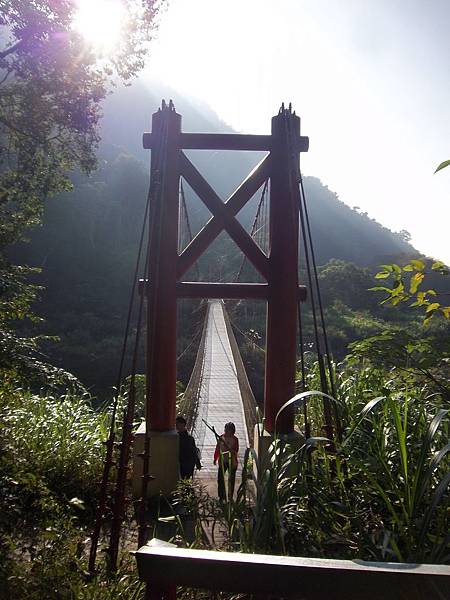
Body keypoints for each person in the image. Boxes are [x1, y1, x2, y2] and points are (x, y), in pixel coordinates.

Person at [213, 422, 239, 502]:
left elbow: (235, 451)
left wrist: (230, 449)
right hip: (223, 461)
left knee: (231, 480)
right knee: (220, 479)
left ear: (232, 430)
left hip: (232, 462)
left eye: (229, 429)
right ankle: (222, 496)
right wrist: (215, 458)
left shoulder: (235, 439)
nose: (227, 431)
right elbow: (217, 449)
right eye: (226, 429)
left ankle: (230, 497)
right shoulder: (221, 438)